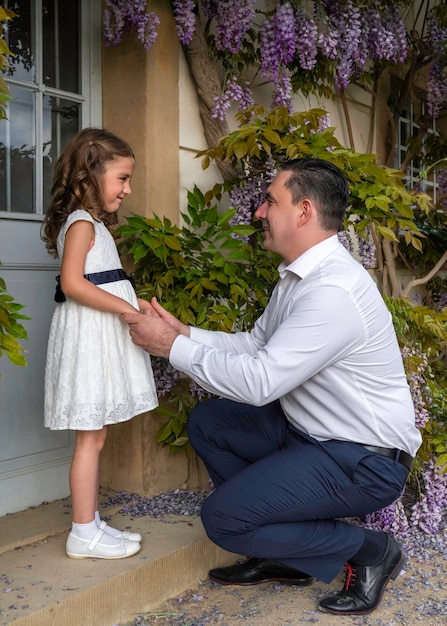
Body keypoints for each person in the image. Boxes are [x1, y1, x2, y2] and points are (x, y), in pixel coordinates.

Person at [121, 158, 421, 615]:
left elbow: (261, 381)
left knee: (223, 518)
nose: (259, 212)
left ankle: (372, 550)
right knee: (211, 421)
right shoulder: (299, 277)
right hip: (312, 438)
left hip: (362, 459)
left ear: (303, 211)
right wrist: (183, 334)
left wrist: (168, 349)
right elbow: (257, 344)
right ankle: (288, 555)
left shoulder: (332, 290)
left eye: (269, 201)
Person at [42, 128, 158, 560]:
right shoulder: (81, 224)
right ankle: (83, 531)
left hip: (97, 334)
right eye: (122, 178)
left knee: (97, 435)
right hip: (87, 338)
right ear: (88, 177)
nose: (128, 189)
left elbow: (103, 280)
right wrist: (126, 311)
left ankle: (89, 522)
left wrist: (137, 301)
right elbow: (73, 283)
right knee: (89, 439)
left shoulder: (95, 226)